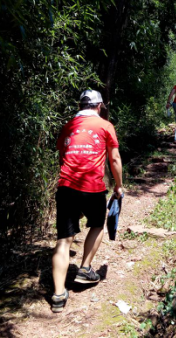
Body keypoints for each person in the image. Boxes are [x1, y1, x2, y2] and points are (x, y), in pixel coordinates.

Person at [51, 89, 123, 313]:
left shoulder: (68, 126)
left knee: (64, 240)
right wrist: (118, 186)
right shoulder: (105, 126)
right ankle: (85, 268)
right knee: (97, 224)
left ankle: (58, 295)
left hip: (66, 187)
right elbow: (114, 158)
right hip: (92, 187)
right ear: (99, 106)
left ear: (80, 106)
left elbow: (62, 155)